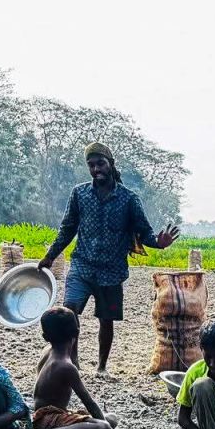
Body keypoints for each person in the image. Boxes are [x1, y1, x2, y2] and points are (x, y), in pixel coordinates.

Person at [37, 141, 181, 374]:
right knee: (69, 311)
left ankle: (102, 366)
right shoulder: (79, 193)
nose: (96, 169)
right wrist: (50, 256)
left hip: (112, 272)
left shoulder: (129, 199)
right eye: (91, 165)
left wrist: (158, 243)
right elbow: (68, 228)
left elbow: (144, 232)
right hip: (82, 265)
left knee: (106, 320)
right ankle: (72, 363)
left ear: (111, 164)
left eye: (100, 164)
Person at [31, 307, 115, 429]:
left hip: (43, 415)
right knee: (104, 426)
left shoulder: (47, 351)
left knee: (111, 418)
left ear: (45, 337)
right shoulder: (66, 366)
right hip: (48, 420)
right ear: (77, 332)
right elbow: (89, 403)